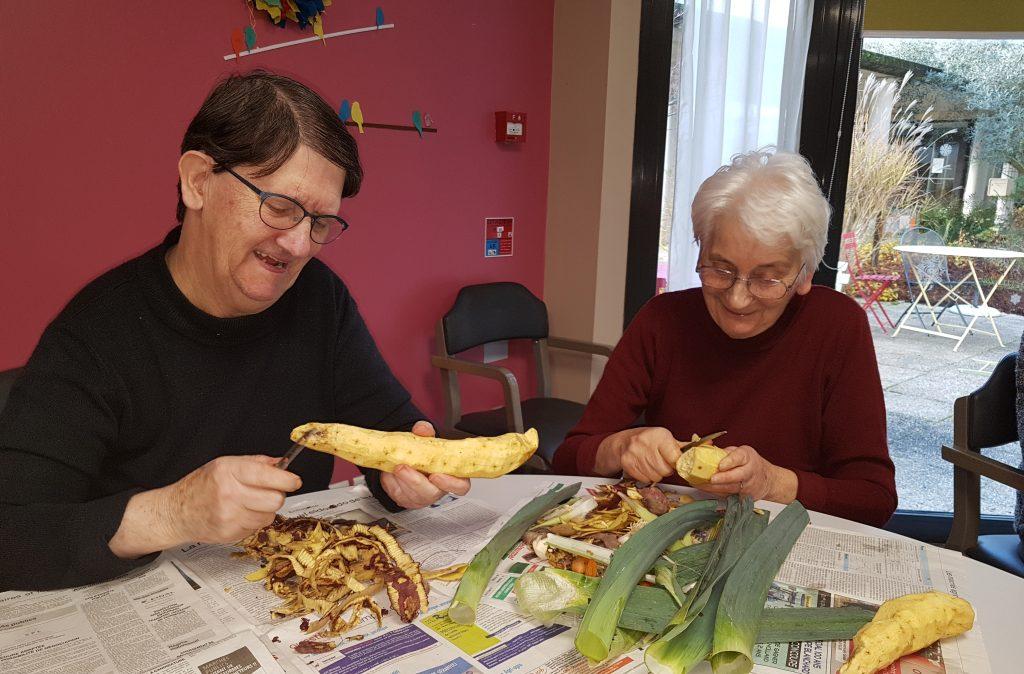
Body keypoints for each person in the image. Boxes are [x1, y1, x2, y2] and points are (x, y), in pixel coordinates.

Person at [0, 71, 469, 591]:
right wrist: (173, 513)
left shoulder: (319, 300)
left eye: (320, 222)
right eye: (281, 207)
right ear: (198, 181)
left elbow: (392, 431)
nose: (297, 245)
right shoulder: (95, 334)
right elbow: (13, 535)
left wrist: (402, 483)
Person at [553, 149, 897, 527]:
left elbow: (873, 498)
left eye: (767, 279)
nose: (737, 299)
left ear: (804, 274)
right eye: (720, 269)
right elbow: (569, 457)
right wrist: (620, 448)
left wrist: (771, 482)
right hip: (668, 533)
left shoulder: (838, 327)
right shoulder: (662, 320)